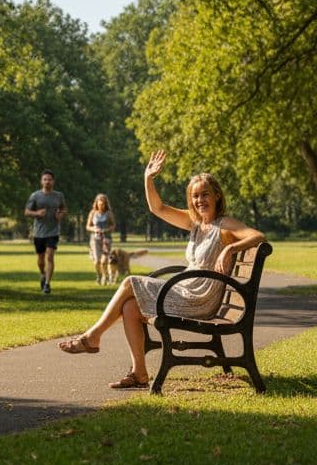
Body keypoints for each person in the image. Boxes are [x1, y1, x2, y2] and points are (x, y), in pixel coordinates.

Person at [58, 150, 265, 388]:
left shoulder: (224, 224)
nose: (200, 201)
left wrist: (229, 249)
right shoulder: (196, 222)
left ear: (217, 195)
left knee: (129, 283)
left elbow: (258, 236)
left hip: (199, 298)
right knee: (130, 307)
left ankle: (92, 337)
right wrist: (148, 179)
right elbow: (158, 208)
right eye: (195, 196)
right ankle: (139, 374)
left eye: (205, 194)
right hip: (185, 289)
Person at [24, 169, 67, 294]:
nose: (47, 182)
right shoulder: (35, 196)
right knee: (41, 260)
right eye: (45, 179)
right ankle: (42, 274)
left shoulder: (59, 195)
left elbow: (63, 208)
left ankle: (47, 284)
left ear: (53, 181)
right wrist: (37, 213)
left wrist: (60, 214)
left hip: (53, 231)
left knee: (50, 255)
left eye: (49, 179)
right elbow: (26, 212)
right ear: (41, 181)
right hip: (38, 232)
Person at [86, 193, 116, 284]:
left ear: (106, 204)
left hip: (106, 240)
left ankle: (105, 276)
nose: (101, 206)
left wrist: (105, 230)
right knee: (97, 261)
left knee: (104, 261)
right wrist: (95, 229)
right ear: (96, 203)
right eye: (99, 204)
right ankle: (99, 275)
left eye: (103, 204)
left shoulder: (109, 213)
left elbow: (113, 225)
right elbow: (88, 226)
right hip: (95, 239)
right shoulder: (92, 213)